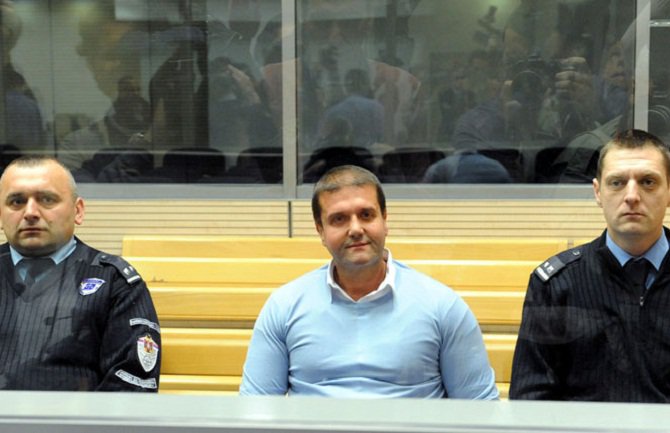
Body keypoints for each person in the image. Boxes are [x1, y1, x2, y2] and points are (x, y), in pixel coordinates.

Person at [240, 165, 498, 398]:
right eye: (339, 219)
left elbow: (480, 410)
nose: (355, 229)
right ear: (320, 230)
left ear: (384, 220)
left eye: (366, 215)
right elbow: (255, 410)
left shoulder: (443, 307)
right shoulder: (284, 307)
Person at [509, 129, 670, 402]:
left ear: (669, 191)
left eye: (648, 182)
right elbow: (531, 399)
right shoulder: (556, 284)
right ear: (598, 192)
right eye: (617, 183)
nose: (632, 196)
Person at [0, 156, 161, 391]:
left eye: (47, 200)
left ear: (78, 211)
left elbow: (131, 389)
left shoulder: (115, 283)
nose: (31, 212)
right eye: (17, 201)